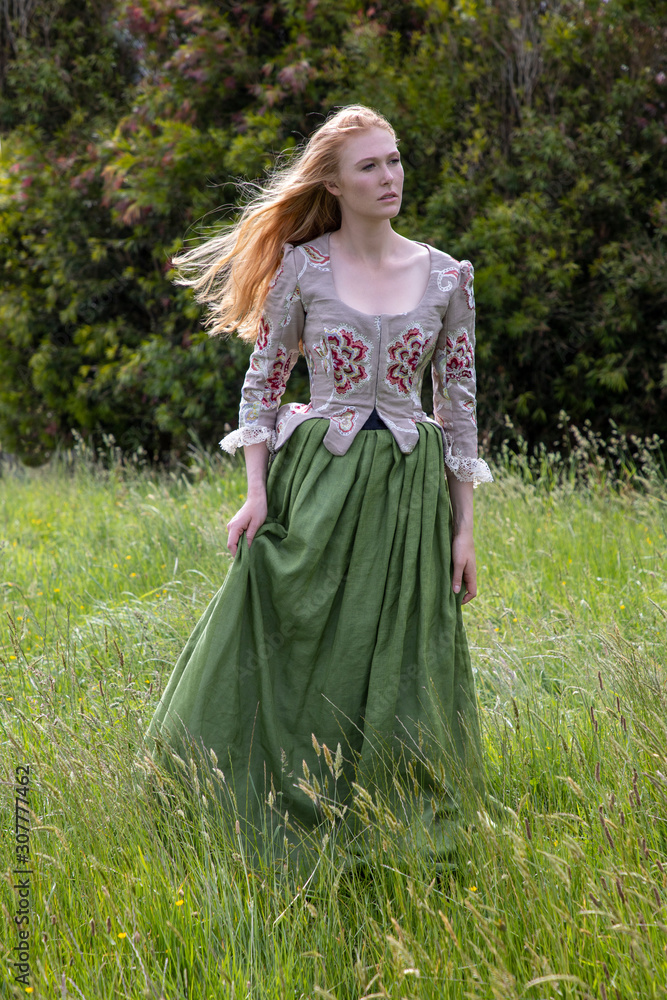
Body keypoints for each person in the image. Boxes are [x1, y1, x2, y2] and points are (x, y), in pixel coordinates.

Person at [145, 104, 493, 874]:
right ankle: (255, 796)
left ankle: (387, 818)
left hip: (408, 493)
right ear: (332, 182)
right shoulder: (303, 267)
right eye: (368, 165)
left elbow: (457, 409)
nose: (388, 177)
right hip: (316, 480)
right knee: (297, 636)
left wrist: (464, 530)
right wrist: (255, 492)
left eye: (394, 160)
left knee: (399, 653)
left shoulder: (445, 276)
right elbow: (261, 386)